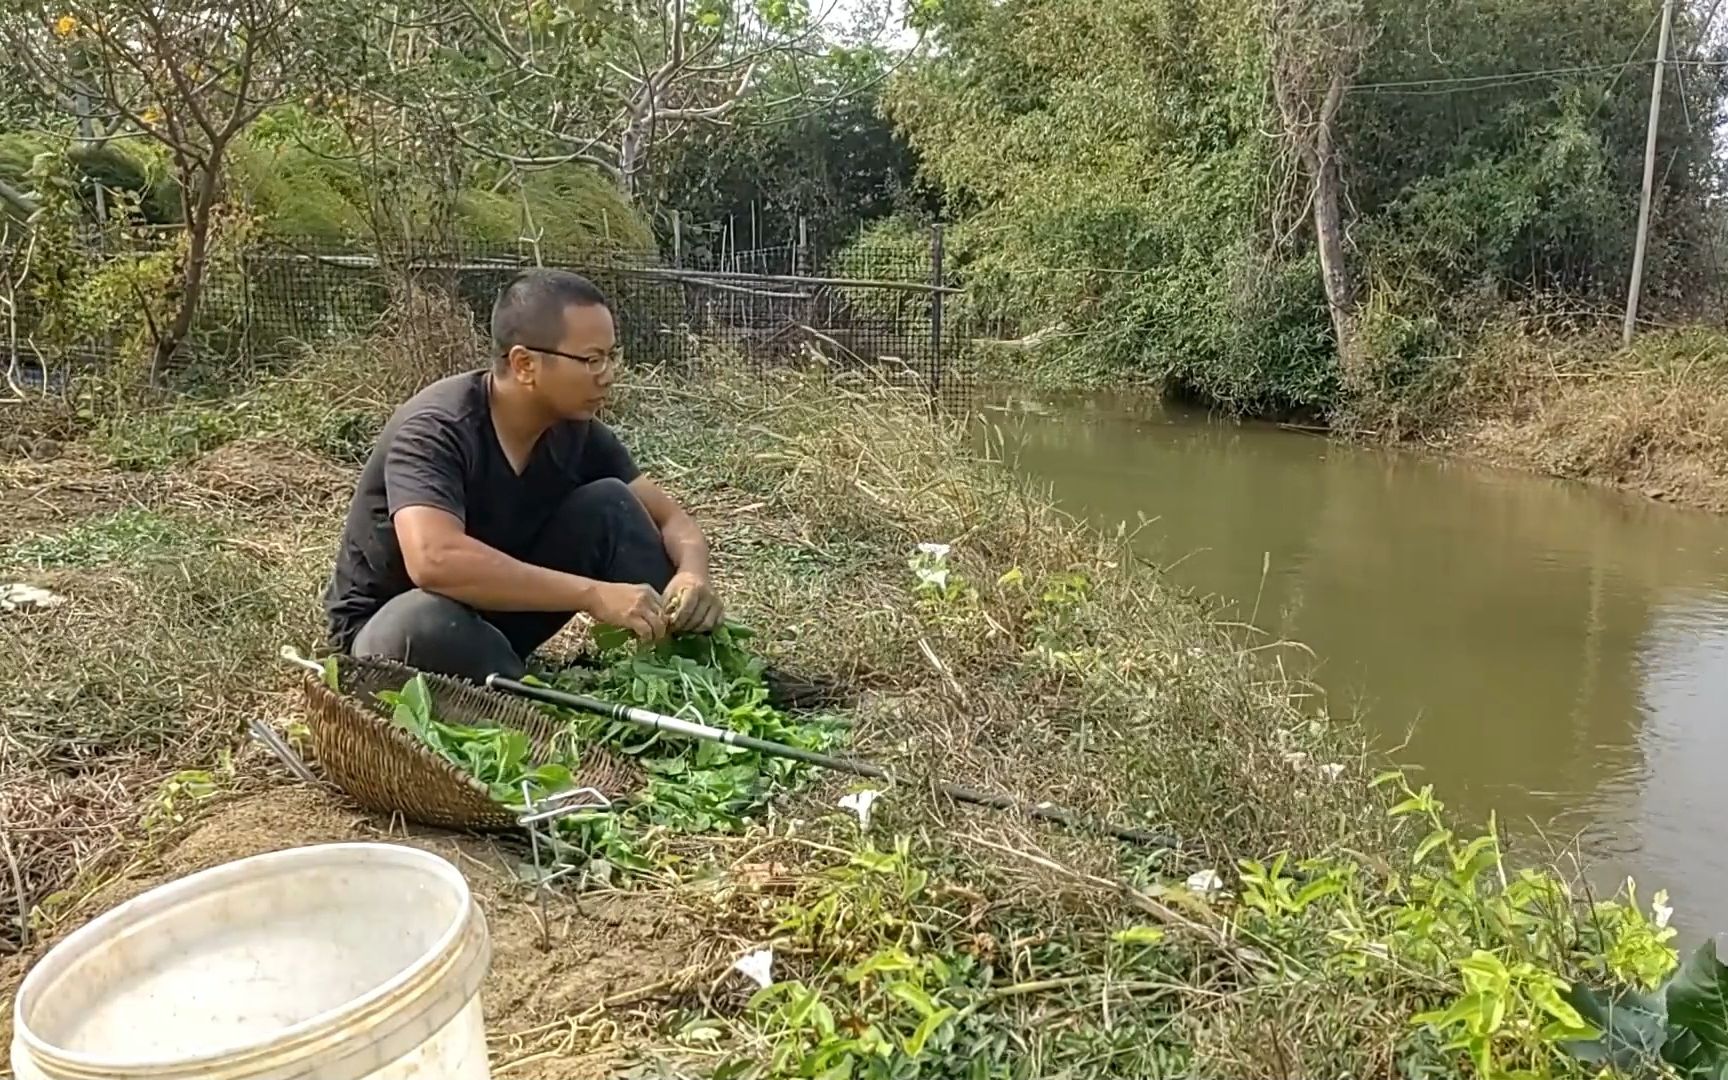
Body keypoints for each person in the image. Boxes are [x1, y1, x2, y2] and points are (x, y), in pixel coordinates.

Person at [322, 267, 723, 683]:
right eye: (591, 359)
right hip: (391, 632)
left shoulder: (575, 431)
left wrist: (692, 572)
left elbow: (671, 519)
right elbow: (434, 561)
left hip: (495, 620)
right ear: (525, 363)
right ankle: (517, 693)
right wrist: (593, 594)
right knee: (423, 621)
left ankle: (695, 674)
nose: (608, 374)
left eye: (610, 356)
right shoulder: (437, 428)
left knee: (612, 504)